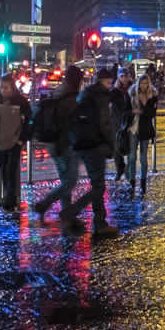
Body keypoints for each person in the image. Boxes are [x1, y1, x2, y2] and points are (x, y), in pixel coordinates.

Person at [58, 68, 119, 236]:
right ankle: (77, 214)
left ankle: (98, 221)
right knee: (98, 187)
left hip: (82, 144)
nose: (109, 85)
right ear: (105, 82)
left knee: (94, 185)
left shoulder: (84, 94)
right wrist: (111, 144)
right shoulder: (101, 96)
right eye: (108, 82)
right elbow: (105, 123)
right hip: (96, 145)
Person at [30, 68, 85, 219]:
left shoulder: (59, 92)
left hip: (53, 143)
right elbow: (74, 124)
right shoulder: (72, 98)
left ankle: (66, 211)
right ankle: (44, 204)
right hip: (66, 144)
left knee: (64, 179)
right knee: (70, 182)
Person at [0, 82, 31, 210]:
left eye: (5, 87)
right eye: (1, 87)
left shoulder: (20, 101)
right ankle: (10, 198)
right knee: (4, 169)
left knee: (10, 170)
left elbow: (29, 119)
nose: (2, 90)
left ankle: (10, 199)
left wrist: (22, 139)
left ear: (11, 87)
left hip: (15, 141)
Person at [130, 77, 159, 195]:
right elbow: (127, 110)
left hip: (145, 129)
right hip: (133, 128)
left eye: (145, 83)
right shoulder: (132, 94)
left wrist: (142, 109)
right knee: (132, 157)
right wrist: (132, 112)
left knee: (143, 157)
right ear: (138, 83)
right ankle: (131, 181)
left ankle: (143, 181)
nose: (143, 85)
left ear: (148, 84)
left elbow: (152, 114)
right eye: (141, 83)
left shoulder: (152, 96)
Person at [112, 73, 135, 183]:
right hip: (117, 122)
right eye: (122, 76)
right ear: (118, 78)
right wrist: (115, 89)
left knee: (131, 148)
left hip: (129, 122)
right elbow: (108, 99)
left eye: (126, 76)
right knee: (116, 149)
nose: (124, 78)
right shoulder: (115, 89)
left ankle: (127, 170)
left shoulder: (133, 88)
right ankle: (119, 169)